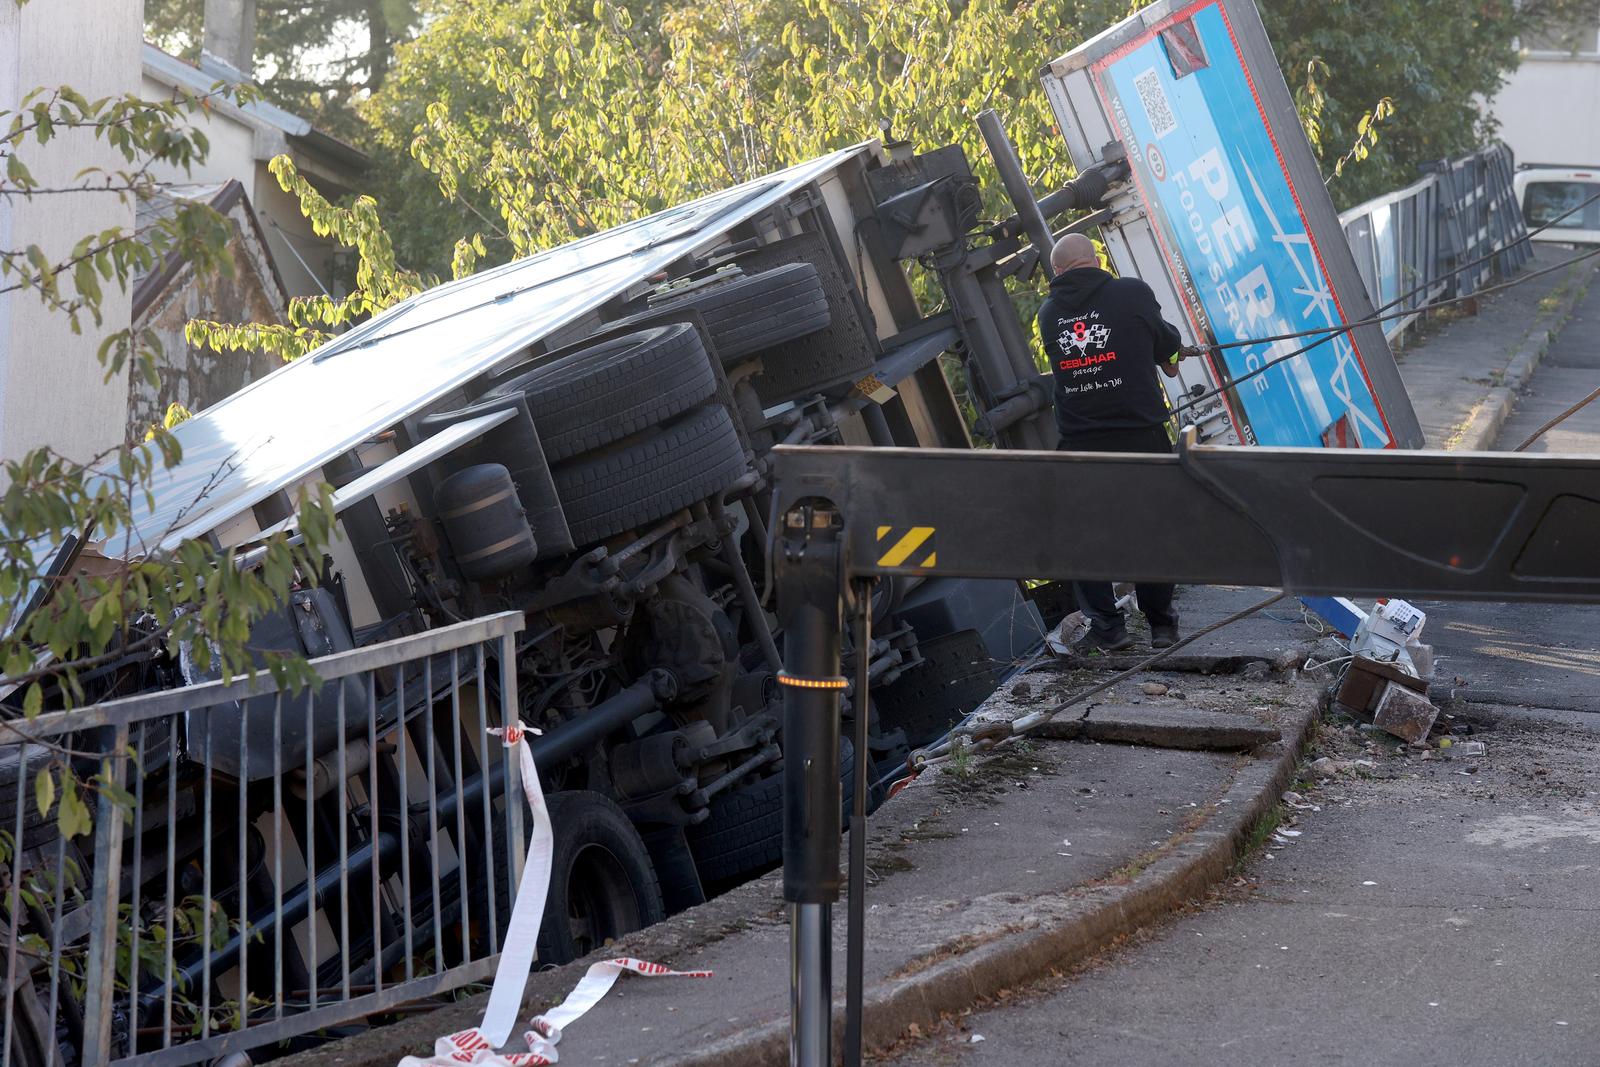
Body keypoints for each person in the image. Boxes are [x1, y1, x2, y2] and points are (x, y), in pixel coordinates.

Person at [1037, 233, 1200, 653]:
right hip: (1140, 435)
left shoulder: (1049, 312)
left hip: (1081, 442)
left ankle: (1108, 628)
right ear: (1095, 260)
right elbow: (1165, 345)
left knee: (1079, 534)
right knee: (1153, 526)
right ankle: (1161, 626)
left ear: (1058, 272)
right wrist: (1169, 351)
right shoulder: (1131, 292)